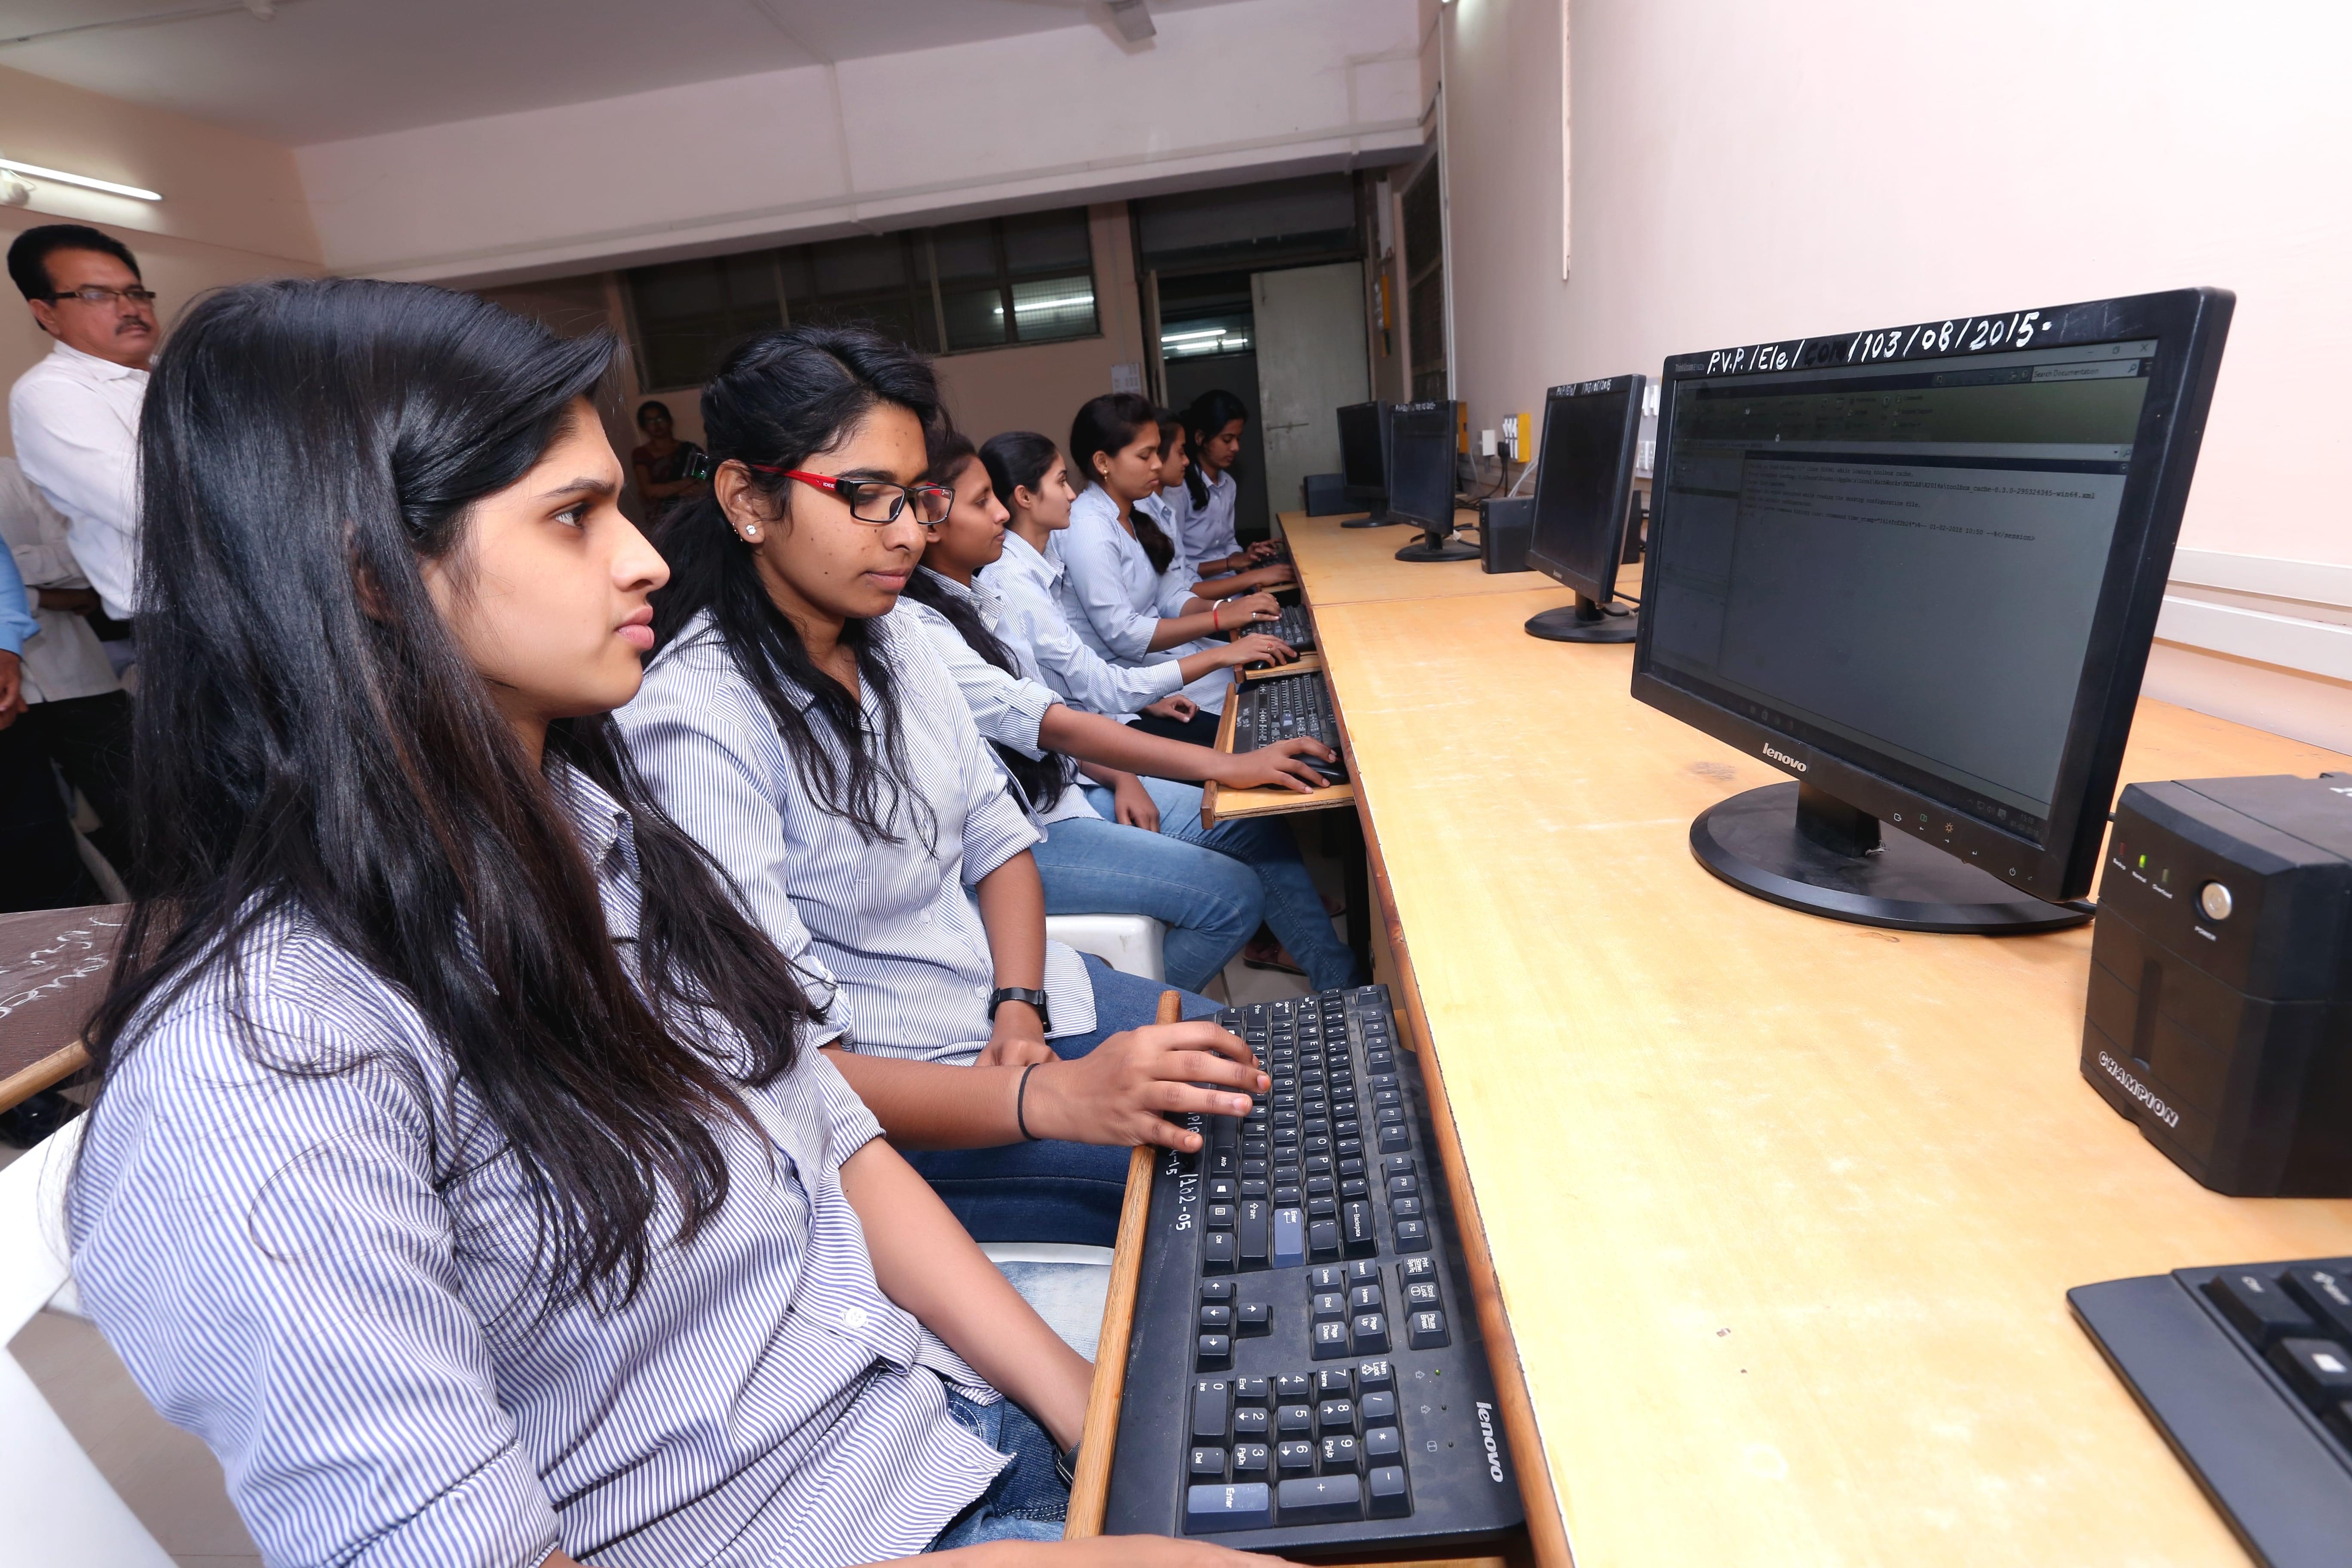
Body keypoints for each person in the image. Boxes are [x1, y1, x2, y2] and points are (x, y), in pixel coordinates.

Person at [63, 277, 1272, 1567]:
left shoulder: (595, 832)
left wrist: (1083, 1406)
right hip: (849, 1524)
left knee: (1327, 1339)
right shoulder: (261, 1062)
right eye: (574, 518)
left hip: (930, 1416)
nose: (646, 554)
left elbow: (834, 1137)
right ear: (369, 576)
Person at [619, 322, 1268, 1249]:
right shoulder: (697, 721)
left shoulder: (903, 637)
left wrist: (1019, 1005)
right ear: (747, 499)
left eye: (916, 499)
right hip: (895, 1118)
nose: (908, 534)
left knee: (1261, 1070)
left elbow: (1001, 843)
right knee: (1228, 1171)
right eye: (865, 499)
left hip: (1011, 1007)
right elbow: (789, 1068)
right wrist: (1041, 1092)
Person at [903, 428, 1354, 992]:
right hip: (1025, 829)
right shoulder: (932, 618)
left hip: (1064, 785)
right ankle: (1124, 1018)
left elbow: (1058, 708)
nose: (999, 514)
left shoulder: (981, 593)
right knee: (1233, 893)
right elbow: (1055, 718)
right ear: (927, 519)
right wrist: (1224, 758)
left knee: (1251, 828)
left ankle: (1343, 982)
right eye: (981, 502)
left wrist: (1122, 776)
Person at [1055, 392, 1293, 747]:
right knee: (1263, 713)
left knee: (1271, 686)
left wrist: (1226, 611)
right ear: (1103, 462)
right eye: (1145, 455)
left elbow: (1171, 596)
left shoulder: (1133, 516)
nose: (1157, 464)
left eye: (1157, 452)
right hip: (1129, 685)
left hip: (1163, 660)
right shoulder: (1090, 527)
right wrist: (1220, 623)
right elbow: (1125, 635)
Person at [6, 224, 156, 675]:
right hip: (189, 617)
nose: (129, 309)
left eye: (136, 292)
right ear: (46, 313)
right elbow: (148, 505)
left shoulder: (177, 377)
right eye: (96, 295)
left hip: (277, 594)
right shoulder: (51, 393)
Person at [0, 456, 133, 894]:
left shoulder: (20, 474)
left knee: (145, 811)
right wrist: (45, 595)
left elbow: (82, 559)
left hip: (81, 680)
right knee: (32, 843)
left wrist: (20, 586)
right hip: (10, 705)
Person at [1169, 389, 1276, 580]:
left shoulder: (1229, 485)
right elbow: (1176, 568)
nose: (1236, 448)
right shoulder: (1178, 489)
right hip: (1196, 589)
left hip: (1230, 581)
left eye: (1238, 439)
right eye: (1227, 440)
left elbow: (1228, 543)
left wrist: (1243, 556)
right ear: (1201, 438)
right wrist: (1230, 563)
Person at [629, 397, 708, 518]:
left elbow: (703, 487)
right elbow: (649, 491)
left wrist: (665, 492)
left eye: (660, 418)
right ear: (643, 426)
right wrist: (688, 483)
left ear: (670, 420)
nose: (656, 424)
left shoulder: (692, 450)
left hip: (693, 515)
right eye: (650, 421)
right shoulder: (641, 454)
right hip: (660, 518)